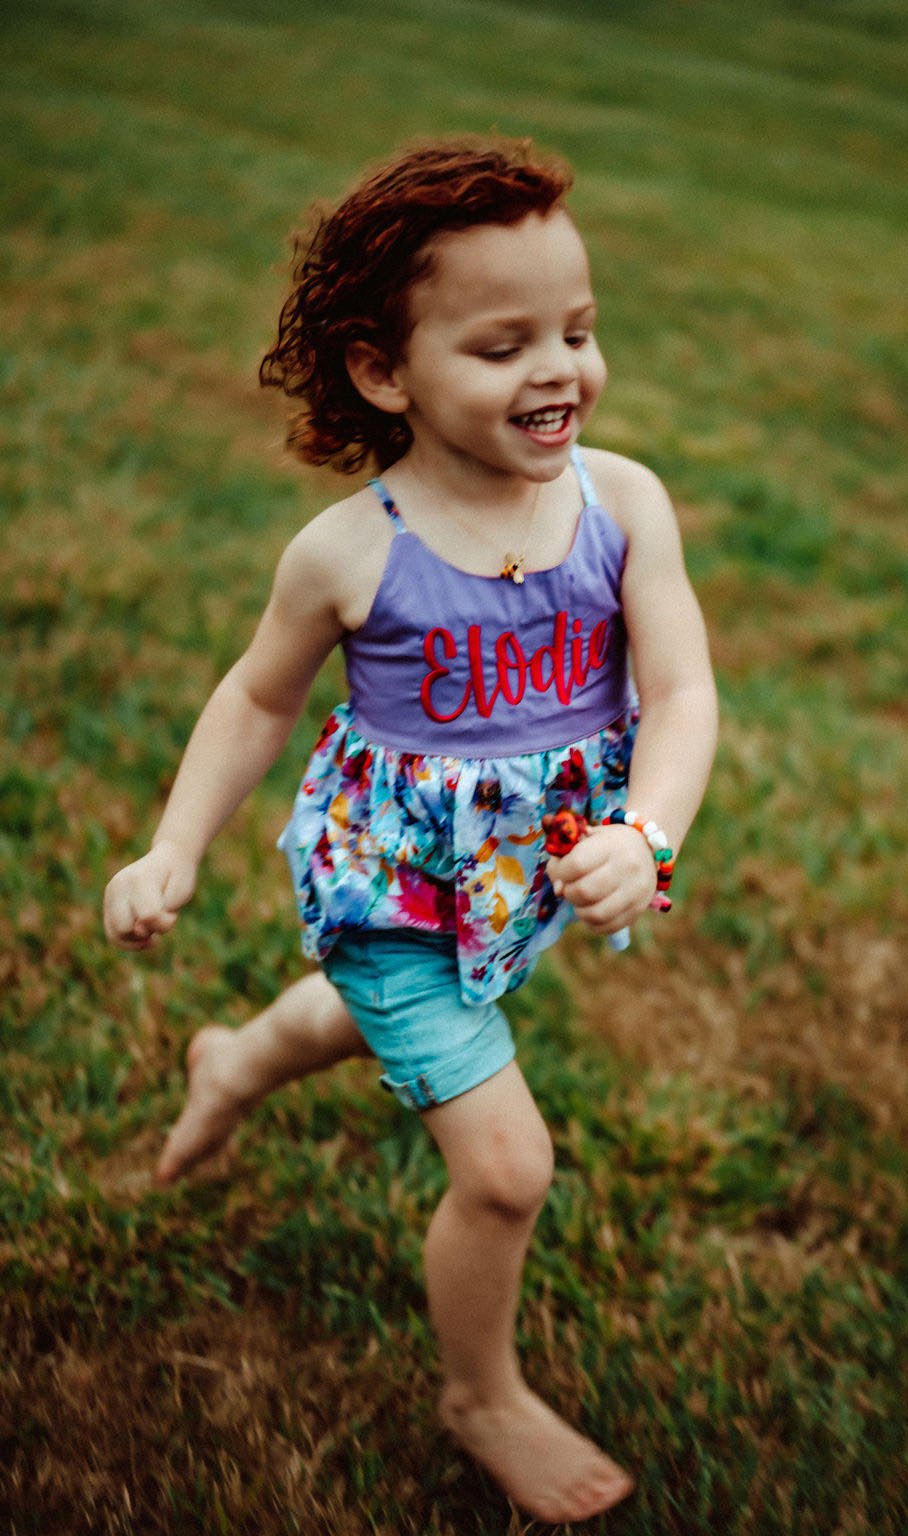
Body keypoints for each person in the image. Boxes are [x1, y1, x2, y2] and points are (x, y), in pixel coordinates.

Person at [103, 136, 718, 1524]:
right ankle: (480, 1395)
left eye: (578, 330)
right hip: (392, 882)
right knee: (506, 1168)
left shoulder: (622, 506)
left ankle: (237, 1056)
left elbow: (681, 691)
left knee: (368, 1023)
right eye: (504, 346)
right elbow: (258, 699)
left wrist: (649, 832)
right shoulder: (353, 552)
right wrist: (175, 845)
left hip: (533, 876)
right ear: (387, 371)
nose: (559, 368)